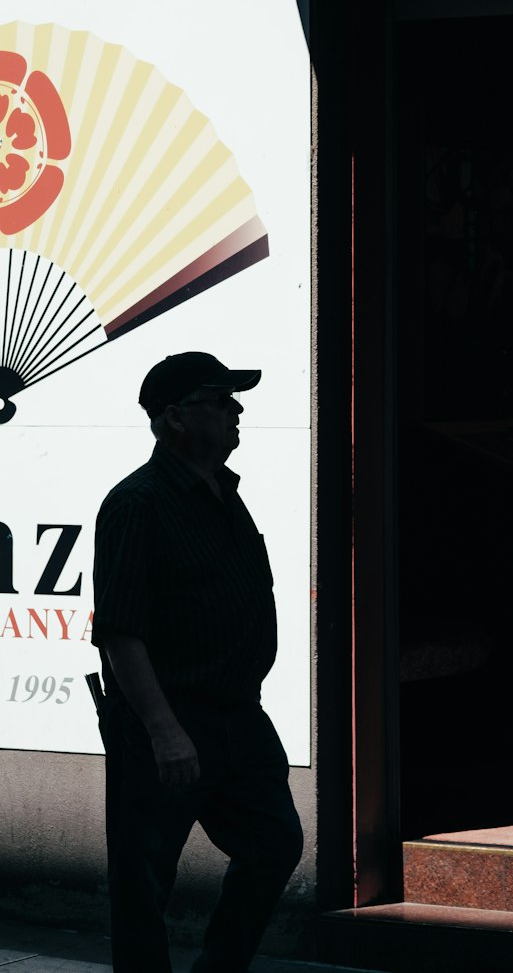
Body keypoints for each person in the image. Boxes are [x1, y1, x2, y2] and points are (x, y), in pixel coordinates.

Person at [91, 351, 303, 973]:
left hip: (238, 716)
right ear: (174, 419)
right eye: (221, 401)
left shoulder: (225, 493)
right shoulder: (139, 503)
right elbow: (122, 634)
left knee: (274, 844)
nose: (237, 413)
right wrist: (164, 732)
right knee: (144, 881)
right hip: (171, 719)